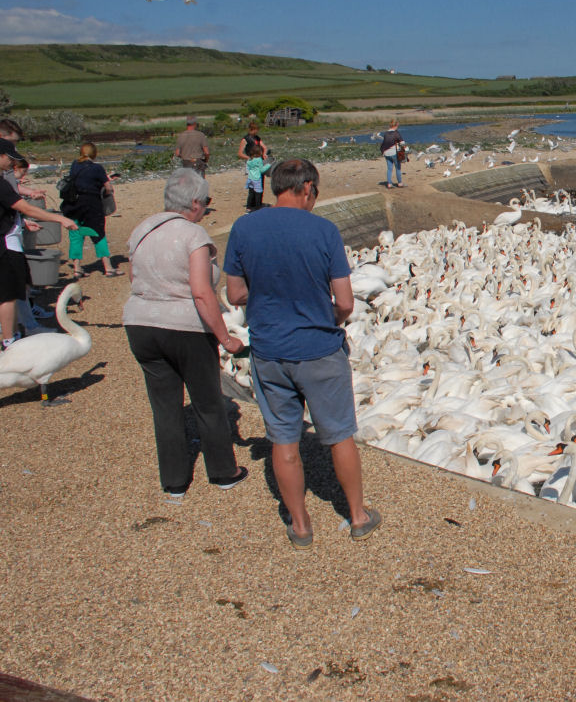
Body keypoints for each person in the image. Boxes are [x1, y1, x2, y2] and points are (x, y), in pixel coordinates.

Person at [223, 158, 381, 548]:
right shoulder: (324, 231)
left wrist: (271, 300)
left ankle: (300, 525)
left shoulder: (243, 228)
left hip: (269, 352)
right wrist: (321, 314)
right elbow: (345, 303)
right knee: (340, 435)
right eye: (317, 191)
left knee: (283, 439)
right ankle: (358, 516)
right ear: (308, 187)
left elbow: (235, 295)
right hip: (319, 351)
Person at [123, 168, 248, 497]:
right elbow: (202, 292)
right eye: (207, 203)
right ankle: (224, 472)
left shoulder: (140, 230)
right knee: (208, 401)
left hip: (140, 325)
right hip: (185, 328)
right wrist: (225, 338)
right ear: (194, 203)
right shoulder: (193, 236)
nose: (206, 209)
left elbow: (134, 280)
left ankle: (175, 482)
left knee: (165, 405)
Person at [0, 138, 78, 349]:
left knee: (12, 291)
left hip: (8, 236)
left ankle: (14, 333)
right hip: (5, 244)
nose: (12, 165)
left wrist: (23, 223)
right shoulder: (1, 184)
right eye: (10, 159)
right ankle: (9, 341)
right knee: (8, 295)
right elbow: (26, 207)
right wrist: (60, 219)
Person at [62, 142, 120, 278]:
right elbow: (108, 188)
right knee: (98, 234)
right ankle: (108, 268)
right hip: (91, 205)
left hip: (73, 204)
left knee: (76, 235)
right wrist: (108, 185)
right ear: (94, 153)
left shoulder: (75, 165)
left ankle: (77, 268)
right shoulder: (97, 168)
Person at [243, 143, 270, 211]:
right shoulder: (259, 160)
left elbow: (249, 168)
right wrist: (268, 165)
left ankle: (248, 207)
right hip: (257, 179)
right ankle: (258, 207)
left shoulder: (249, 160)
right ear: (259, 152)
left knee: (251, 193)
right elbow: (261, 170)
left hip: (250, 178)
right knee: (258, 193)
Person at [379, 120, 406, 188]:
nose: (398, 127)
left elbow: (384, 143)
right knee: (398, 168)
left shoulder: (386, 133)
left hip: (386, 153)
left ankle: (389, 184)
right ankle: (400, 183)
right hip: (394, 153)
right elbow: (402, 143)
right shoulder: (396, 133)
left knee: (389, 169)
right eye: (397, 125)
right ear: (395, 125)